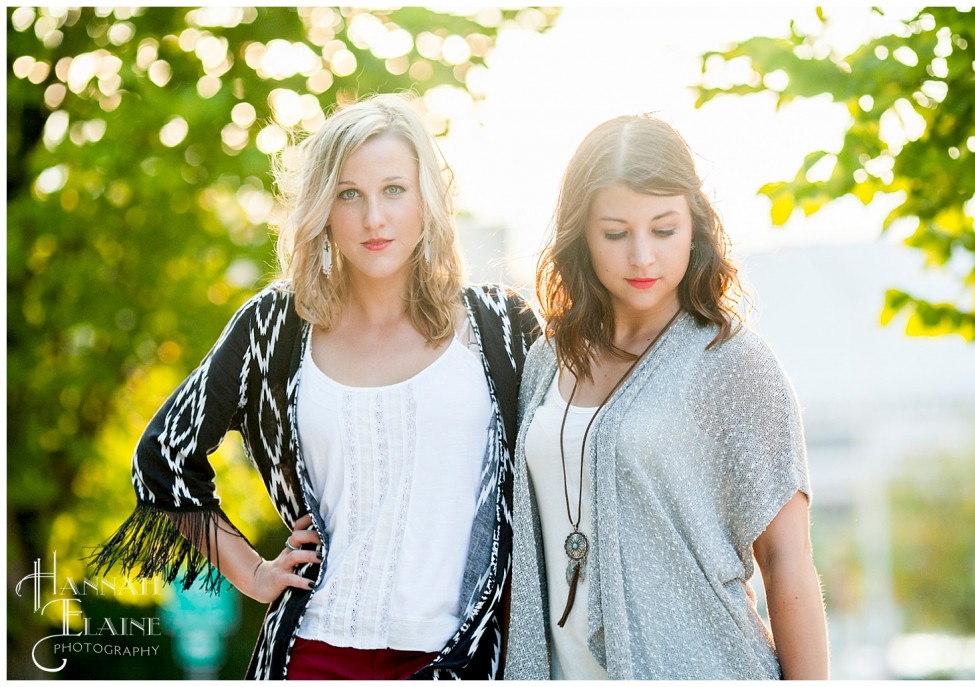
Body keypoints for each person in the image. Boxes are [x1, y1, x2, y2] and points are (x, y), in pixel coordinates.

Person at [90, 93, 540, 679]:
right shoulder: (277, 326)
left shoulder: (500, 327)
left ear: (428, 198)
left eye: (394, 190)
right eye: (349, 194)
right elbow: (164, 456)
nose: (373, 218)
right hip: (314, 651)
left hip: (464, 656)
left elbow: (562, 467)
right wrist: (252, 572)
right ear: (323, 207)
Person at [505, 114, 829, 679]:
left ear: (695, 227)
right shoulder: (545, 362)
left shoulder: (733, 364)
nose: (641, 257)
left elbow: (788, 564)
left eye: (663, 229)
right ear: (581, 232)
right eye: (614, 232)